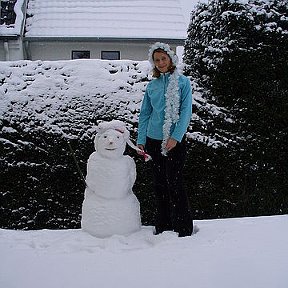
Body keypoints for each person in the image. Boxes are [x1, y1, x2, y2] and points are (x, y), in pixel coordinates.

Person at [137, 42, 193, 237]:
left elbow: (186, 112)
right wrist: (141, 140)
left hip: (174, 142)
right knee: (159, 184)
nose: (160, 63)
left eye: (163, 59)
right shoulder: (152, 86)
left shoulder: (183, 82)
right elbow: (144, 114)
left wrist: (176, 137)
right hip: (153, 140)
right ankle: (163, 226)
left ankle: (183, 228)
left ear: (171, 59)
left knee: (175, 183)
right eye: (157, 60)